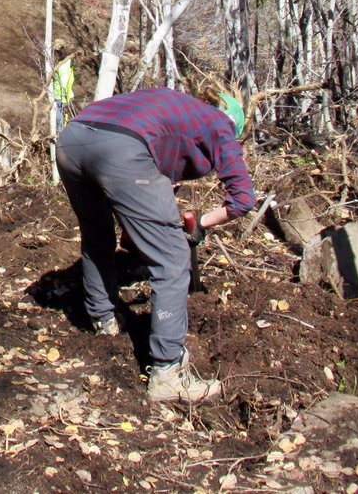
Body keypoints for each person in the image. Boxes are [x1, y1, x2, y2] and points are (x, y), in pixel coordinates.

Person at [54, 87, 253, 403]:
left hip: (72, 139)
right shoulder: (221, 125)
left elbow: (141, 188)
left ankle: (103, 319)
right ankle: (167, 374)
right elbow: (243, 200)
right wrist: (200, 224)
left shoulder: (172, 109)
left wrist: (142, 233)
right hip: (120, 151)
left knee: (97, 234)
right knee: (173, 259)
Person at [51, 39, 75, 133]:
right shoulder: (67, 61)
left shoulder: (64, 65)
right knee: (61, 121)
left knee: (61, 121)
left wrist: (65, 100)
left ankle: (61, 139)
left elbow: (65, 82)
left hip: (63, 97)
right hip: (61, 96)